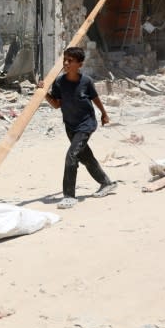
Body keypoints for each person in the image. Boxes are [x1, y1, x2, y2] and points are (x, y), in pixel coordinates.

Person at [44, 46, 117, 209]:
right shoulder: (59, 82)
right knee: (86, 157)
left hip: (86, 124)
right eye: (65, 59)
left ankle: (69, 196)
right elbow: (56, 104)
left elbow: (95, 98)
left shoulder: (86, 82)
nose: (66, 63)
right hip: (70, 126)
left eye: (70, 60)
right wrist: (45, 93)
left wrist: (104, 114)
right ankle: (107, 183)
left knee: (71, 156)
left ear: (80, 64)